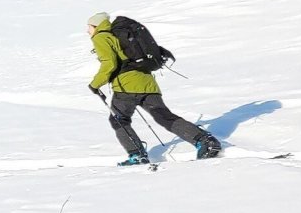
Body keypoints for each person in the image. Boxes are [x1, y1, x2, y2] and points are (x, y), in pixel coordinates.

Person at [86, 12, 220, 165]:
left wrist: (95, 84)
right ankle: (205, 141)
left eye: (89, 27)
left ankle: (137, 155)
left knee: (119, 119)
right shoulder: (119, 34)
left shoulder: (100, 37)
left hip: (127, 86)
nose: (87, 31)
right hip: (147, 82)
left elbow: (109, 63)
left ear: (96, 26)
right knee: (164, 116)